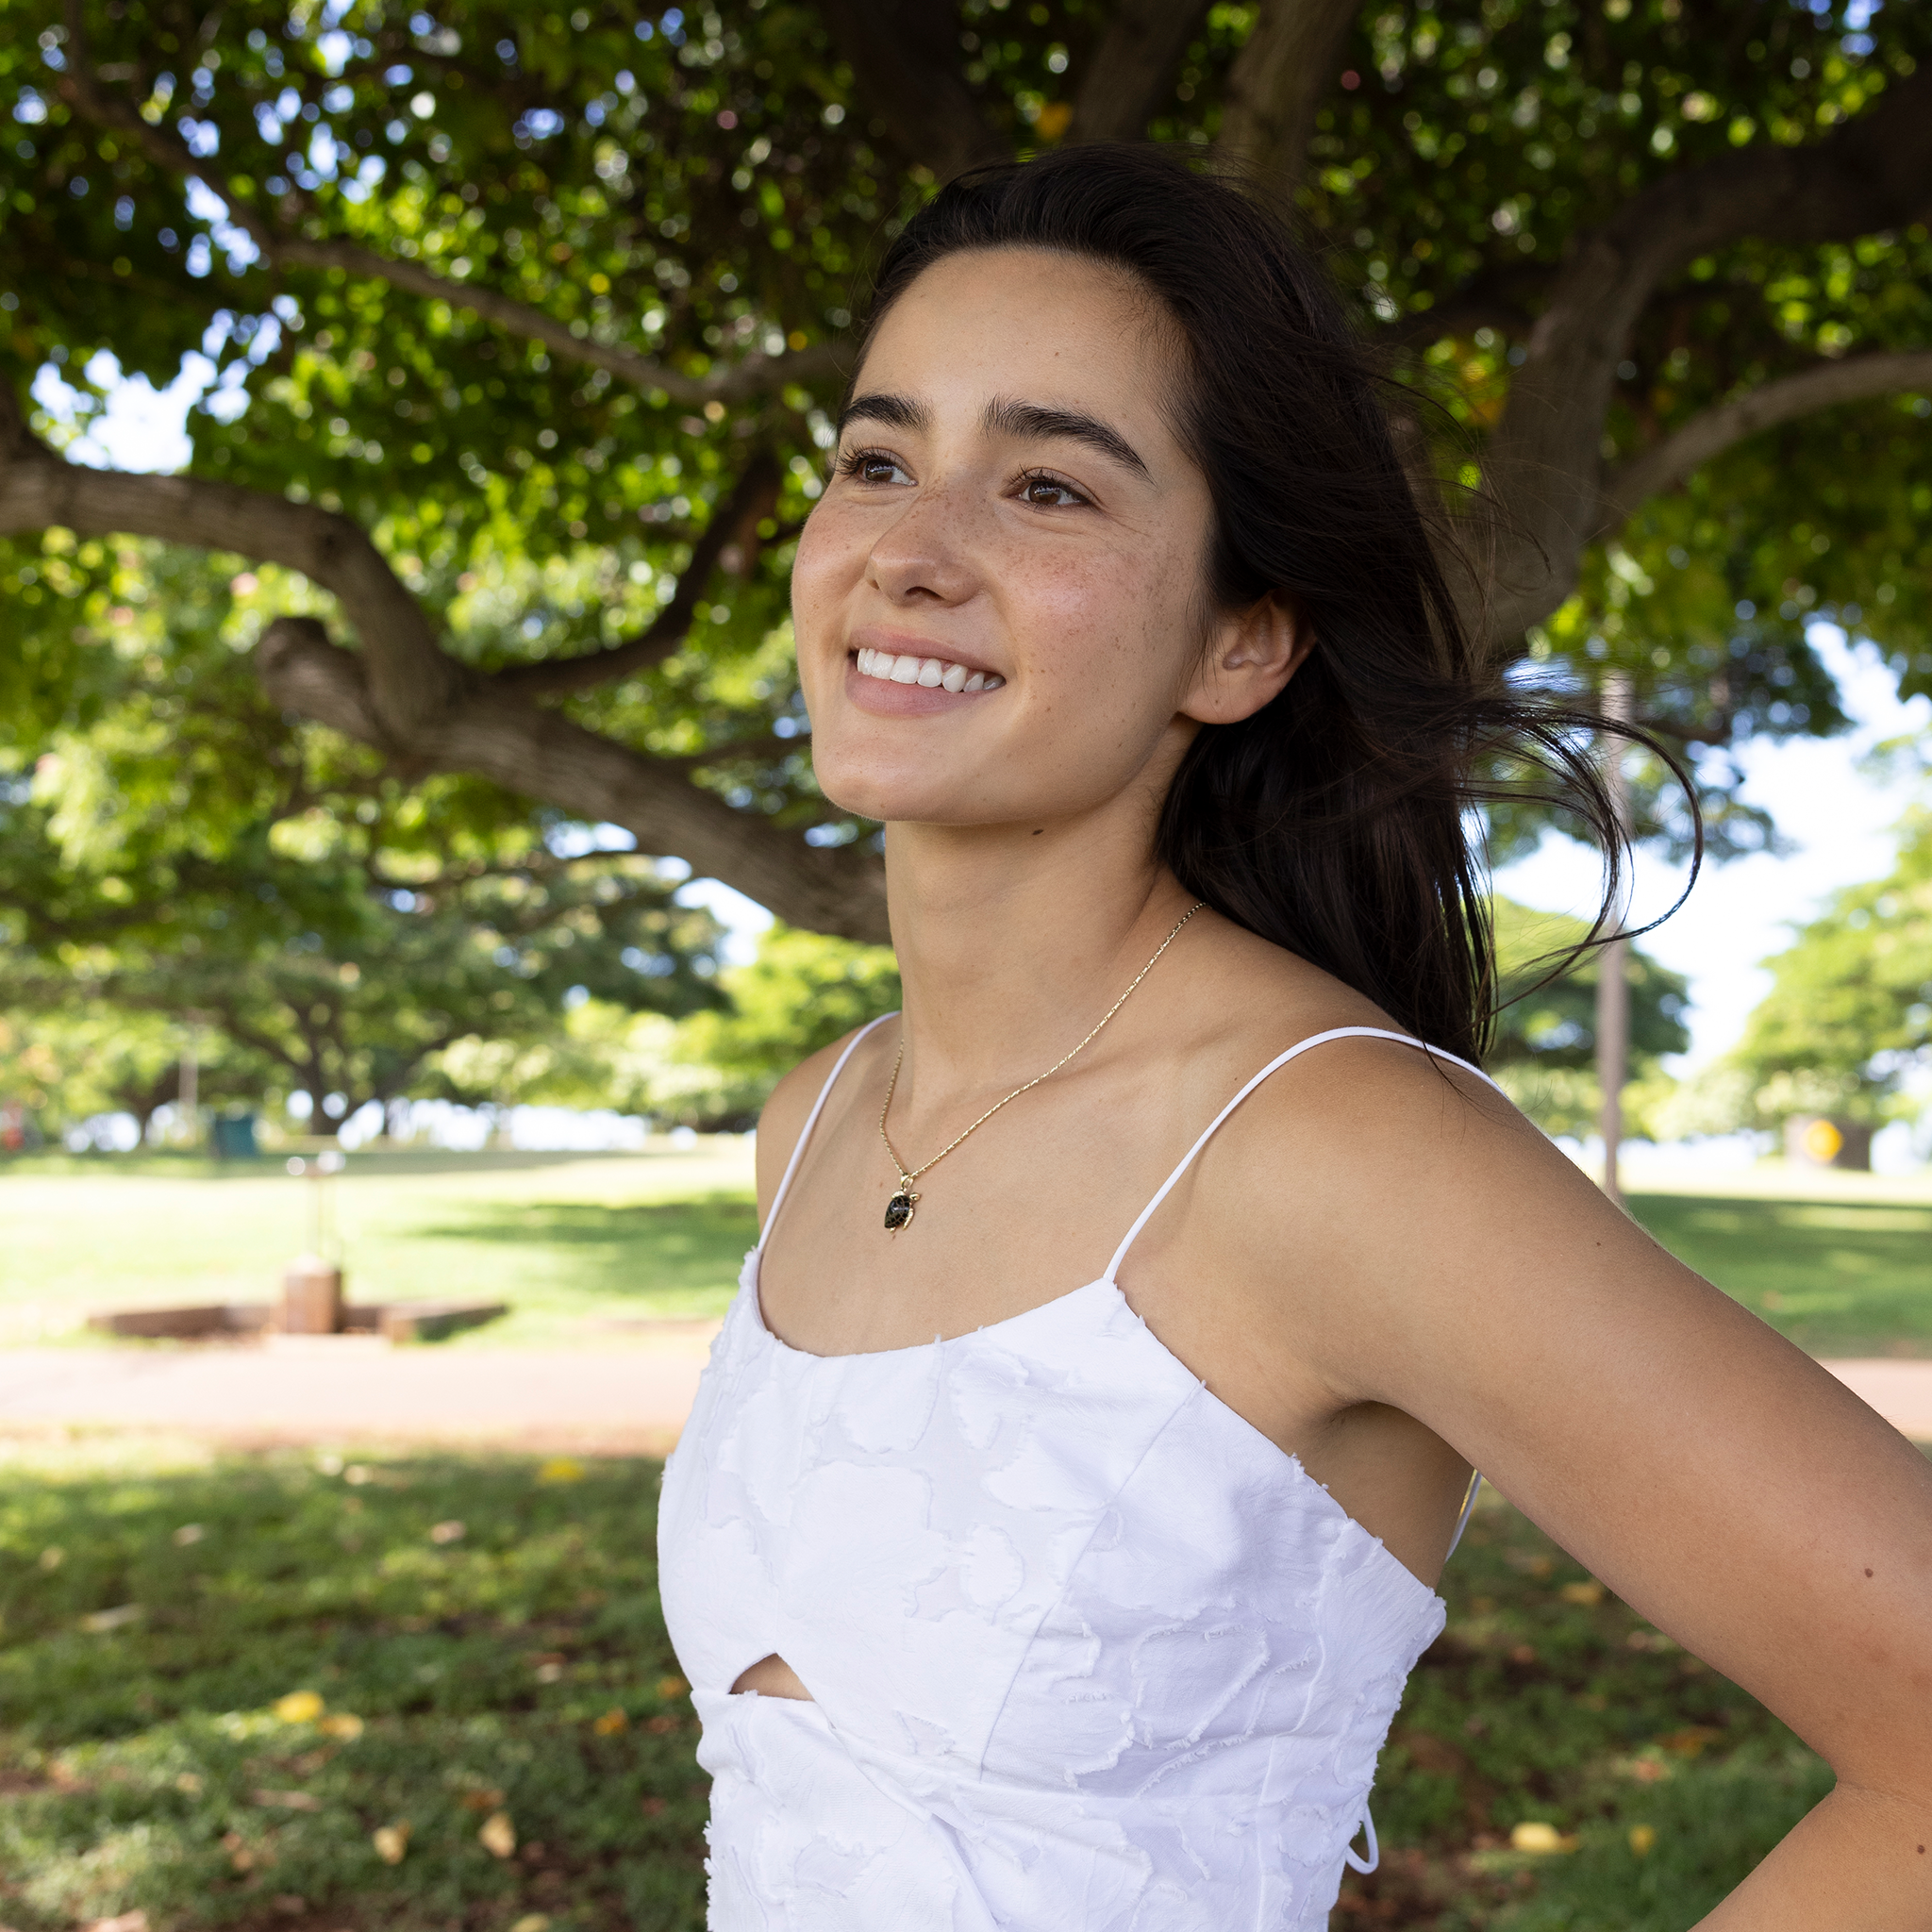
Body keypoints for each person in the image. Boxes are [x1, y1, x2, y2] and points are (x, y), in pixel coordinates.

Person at [657, 145, 1932, 1929]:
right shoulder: (819, 1121)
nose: (910, 552)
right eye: (878, 460)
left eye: (1046, 487)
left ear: (1244, 639)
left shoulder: (1331, 1151)